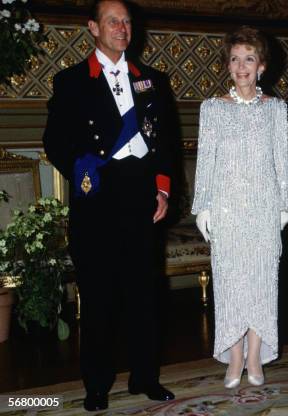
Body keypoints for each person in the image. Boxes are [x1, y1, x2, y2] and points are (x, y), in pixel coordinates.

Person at [42, 0, 175, 411]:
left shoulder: (152, 80)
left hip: (140, 195)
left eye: (127, 21)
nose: (122, 28)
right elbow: (55, 142)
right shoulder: (72, 82)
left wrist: (163, 189)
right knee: (99, 298)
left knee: (143, 294)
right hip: (97, 198)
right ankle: (96, 385)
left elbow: (166, 142)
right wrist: (86, 173)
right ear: (93, 28)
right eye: (113, 21)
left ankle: (145, 376)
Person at [191, 26, 288, 389]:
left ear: (261, 65)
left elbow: (282, 160)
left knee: (262, 284)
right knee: (231, 283)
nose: (241, 66)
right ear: (227, 66)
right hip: (227, 208)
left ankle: (254, 355)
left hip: (265, 207)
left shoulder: (276, 109)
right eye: (235, 59)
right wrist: (202, 207)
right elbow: (206, 161)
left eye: (249, 58)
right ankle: (233, 356)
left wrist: (285, 206)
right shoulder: (213, 108)